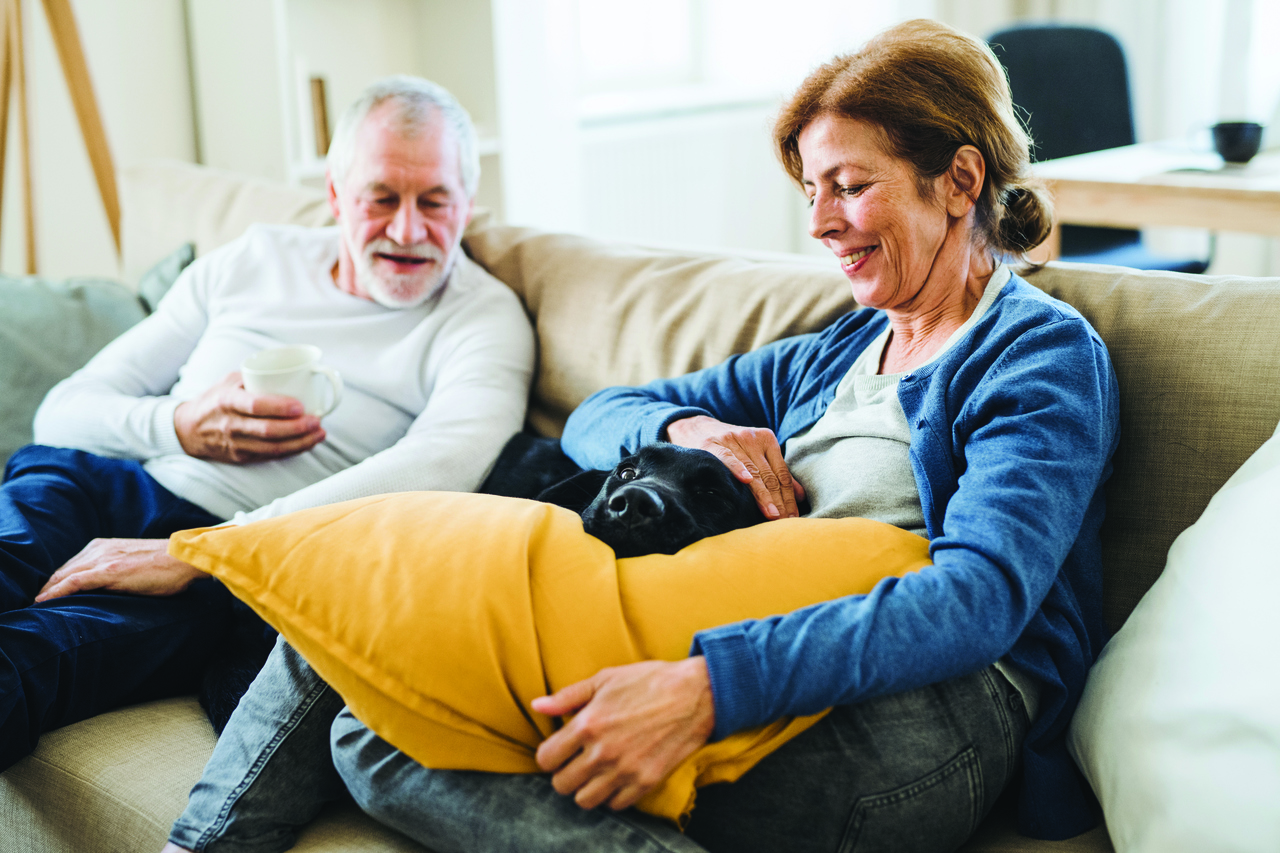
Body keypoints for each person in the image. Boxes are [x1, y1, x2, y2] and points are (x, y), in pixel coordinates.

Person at [162, 18, 1118, 853]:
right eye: (813, 190)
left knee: (380, 735)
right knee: (374, 635)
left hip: (933, 716)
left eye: (851, 186)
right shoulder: (839, 349)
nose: (822, 223)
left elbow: (978, 598)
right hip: (748, 640)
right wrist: (698, 428)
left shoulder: (1035, 353)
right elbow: (599, 415)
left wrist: (706, 687)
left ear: (958, 179)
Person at [0, 75, 535, 771]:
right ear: (336, 196)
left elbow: (446, 462)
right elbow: (64, 410)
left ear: (467, 201)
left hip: (235, 564)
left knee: (27, 658)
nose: (409, 230)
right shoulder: (255, 259)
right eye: (382, 198)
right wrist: (180, 424)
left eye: (434, 201)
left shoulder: (482, 318)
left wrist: (206, 552)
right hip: (109, 479)